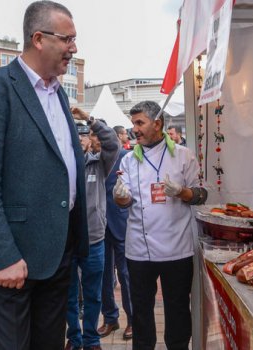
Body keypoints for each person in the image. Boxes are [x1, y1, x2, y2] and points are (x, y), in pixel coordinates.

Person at [0, 2, 89, 349]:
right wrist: (4, 256)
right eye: (68, 39)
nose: (74, 48)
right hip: (12, 260)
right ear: (38, 38)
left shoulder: (58, 93)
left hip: (57, 256)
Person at [113, 101, 208, 350]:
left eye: (140, 122)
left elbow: (202, 195)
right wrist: (120, 198)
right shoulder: (128, 161)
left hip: (177, 247)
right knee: (141, 311)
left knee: (177, 309)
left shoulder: (183, 155)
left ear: (158, 124)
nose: (134, 129)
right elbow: (125, 202)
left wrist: (182, 192)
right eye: (133, 123)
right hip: (139, 250)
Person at [65, 109, 120, 350]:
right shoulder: (62, 167)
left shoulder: (99, 165)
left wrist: (90, 119)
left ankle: (91, 339)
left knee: (93, 294)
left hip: (94, 239)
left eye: (83, 136)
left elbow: (113, 142)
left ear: (89, 140)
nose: (80, 140)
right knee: (68, 296)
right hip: (65, 240)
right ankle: (73, 338)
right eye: (75, 137)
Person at [98, 127, 133, 341]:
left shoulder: (125, 157)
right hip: (99, 226)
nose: (93, 140)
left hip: (121, 224)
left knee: (126, 275)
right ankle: (110, 318)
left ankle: (132, 319)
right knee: (103, 276)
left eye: (96, 136)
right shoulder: (91, 158)